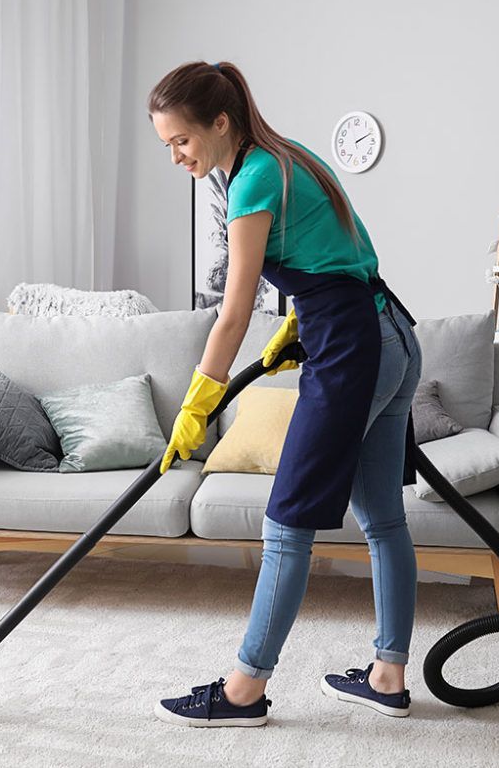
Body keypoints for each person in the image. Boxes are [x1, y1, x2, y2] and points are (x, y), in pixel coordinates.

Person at [148, 61, 423, 728]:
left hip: (355, 349)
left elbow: (233, 311)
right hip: (392, 334)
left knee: (285, 524)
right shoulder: (286, 154)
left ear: (219, 122)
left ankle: (243, 690)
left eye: (181, 140)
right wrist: (301, 318)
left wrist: (196, 405)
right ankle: (387, 673)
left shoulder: (252, 178)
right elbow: (346, 254)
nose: (177, 156)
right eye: (166, 146)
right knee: (383, 517)